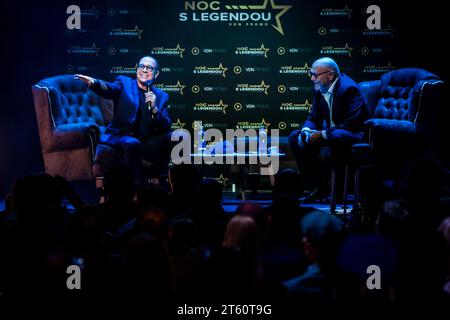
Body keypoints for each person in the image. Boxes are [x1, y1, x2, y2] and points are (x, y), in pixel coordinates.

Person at [74, 56, 172, 185]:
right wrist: (94, 82)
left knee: (177, 136)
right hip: (122, 136)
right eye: (142, 66)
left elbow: (166, 125)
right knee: (132, 143)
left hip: (147, 140)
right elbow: (109, 89)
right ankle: (136, 191)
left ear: (156, 73)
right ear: (137, 69)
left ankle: (174, 187)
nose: (144, 70)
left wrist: (154, 108)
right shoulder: (124, 83)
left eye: (149, 68)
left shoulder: (161, 96)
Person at [288, 57, 370, 201]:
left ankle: (337, 192)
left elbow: (351, 123)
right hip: (332, 133)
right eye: (311, 74)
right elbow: (314, 117)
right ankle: (316, 187)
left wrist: (322, 134)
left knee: (337, 135)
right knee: (295, 137)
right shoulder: (321, 87)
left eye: (315, 75)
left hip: (354, 134)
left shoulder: (349, 89)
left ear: (330, 75)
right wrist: (306, 131)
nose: (312, 78)